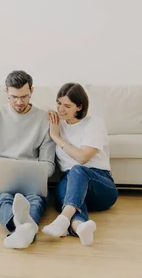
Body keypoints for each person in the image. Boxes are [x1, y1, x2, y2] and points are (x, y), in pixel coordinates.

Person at [0, 70, 56, 249]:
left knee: (35, 199)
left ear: (32, 91)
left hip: (31, 179)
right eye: (14, 97)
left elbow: (49, 163)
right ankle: (24, 229)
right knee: (3, 198)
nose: (19, 102)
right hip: (0, 179)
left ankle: (18, 231)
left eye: (24, 96)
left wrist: (38, 174)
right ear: (6, 92)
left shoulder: (44, 119)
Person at [41, 82, 118, 245]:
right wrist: (46, 112)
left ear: (79, 106)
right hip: (70, 183)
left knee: (77, 170)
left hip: (100, 185)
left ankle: (63, 219)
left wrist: (56, 137)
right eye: (59, 103)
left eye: (67, 106)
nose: (61, 109)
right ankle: (80, 227)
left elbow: (83, 158)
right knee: (64, 193)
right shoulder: (57, 122)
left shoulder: (94, 123)